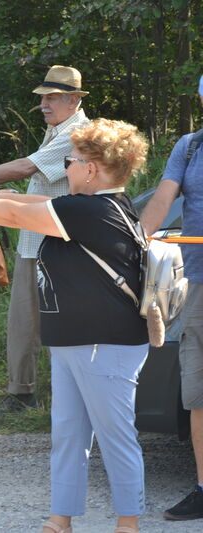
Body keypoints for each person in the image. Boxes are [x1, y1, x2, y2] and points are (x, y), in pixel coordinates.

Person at [0, 118, 149, 533]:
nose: (66, 168)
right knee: (68, 438)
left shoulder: (93, 209)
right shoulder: (94, 206)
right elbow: (30, 206)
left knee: (115, 436)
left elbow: (17, 213)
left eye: (71, 161)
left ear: (91, 168)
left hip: (104, 342)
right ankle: (59, 521)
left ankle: (128, 523)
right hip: (75, 341)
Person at [0, 65, 90, 413]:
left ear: (73, 100)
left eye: (52, 98)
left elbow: (28, 167)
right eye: (42, 98)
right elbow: (42, 178)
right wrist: (10, 195)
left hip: (57, 243)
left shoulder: (78, 133)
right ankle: (24, 391)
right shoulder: (60, 128)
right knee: (24, 317)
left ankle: (34, 393)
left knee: (45, 319)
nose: (43, 104)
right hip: (38, 239)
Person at [141, 74, 203, 522]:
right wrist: (133, 241)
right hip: (200, 284)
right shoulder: (190, 146)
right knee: (198, 392)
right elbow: (163, 200)